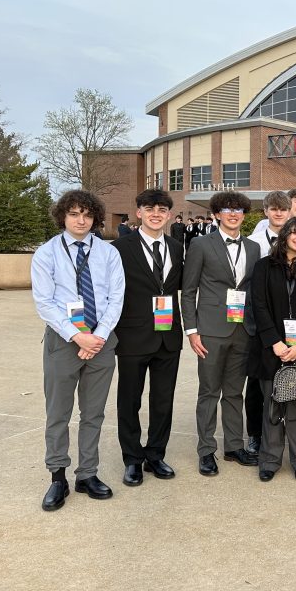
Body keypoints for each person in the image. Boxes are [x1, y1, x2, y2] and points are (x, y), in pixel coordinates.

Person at [32, 190, 125, 511]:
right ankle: (58, 476)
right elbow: (44, 302)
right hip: (63, 342)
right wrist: (77, 336)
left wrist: (96, 337)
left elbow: (116, 298)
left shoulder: (109, 253)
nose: (81, 220)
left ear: (95, 218)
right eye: (74, 214)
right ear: (63, 217)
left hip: (101, 341)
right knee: (58, 413)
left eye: (86, 214)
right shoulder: (46, 254)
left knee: (93, 413)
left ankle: (87, 474)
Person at [181, 191, 260, 476]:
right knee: (209, 393)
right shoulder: (201, 245)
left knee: (234, 393)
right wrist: (192, 330)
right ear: (216, 214)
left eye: (238, 209)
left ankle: (234, 447)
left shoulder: (253, 248)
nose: (233, 213)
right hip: (211, 331)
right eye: (227, 209)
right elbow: (188, 291)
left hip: (243, 330)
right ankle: (206, 450)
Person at [111, 189, 184, 487]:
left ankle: (155, 453)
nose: (156, 213)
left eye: (162, 209)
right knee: (129, 400)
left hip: (168, 335)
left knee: (163, 400)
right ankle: (132, 458)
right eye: (149, 208)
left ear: (168, 215)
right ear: (139, 212)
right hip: (132, 335)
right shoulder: (119, 248)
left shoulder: (177, 247)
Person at [250, 217, 296, 481]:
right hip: (272, 349)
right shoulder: (263, 267)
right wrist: (276, 342)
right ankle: (269, 460)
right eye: (294, 232)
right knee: (272, 405)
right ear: (284, 236)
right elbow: (258, 306)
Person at [244, 191, 292, 455]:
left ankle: (281, 432)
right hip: (257, 322)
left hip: (287, 323)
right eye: (273, 209)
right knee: (256, 383)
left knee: (287, 381)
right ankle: (254, 433)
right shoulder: (252, 243)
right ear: (265, 211)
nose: (278, 213)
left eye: (283, 210)